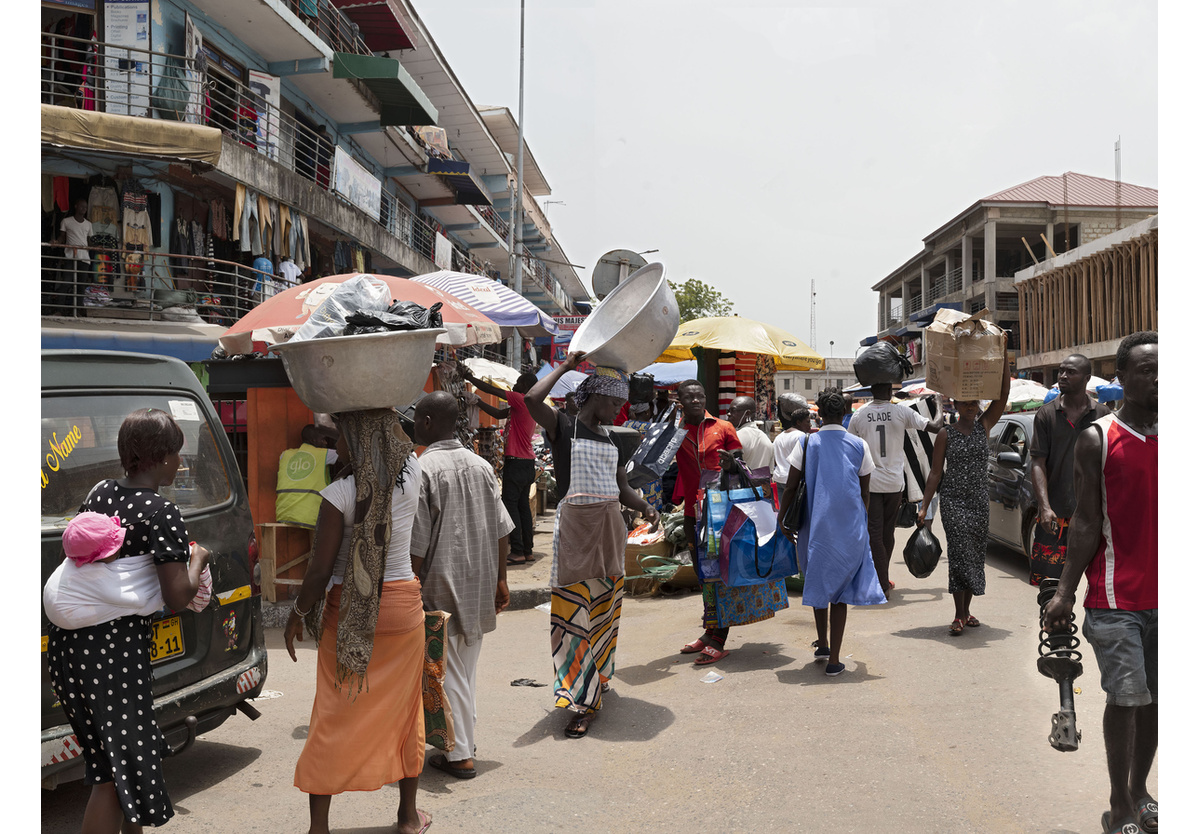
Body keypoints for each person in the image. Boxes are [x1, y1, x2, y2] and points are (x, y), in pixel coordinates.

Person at [45, 408, 211, 832]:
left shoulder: (100, 492)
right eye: (176, 453)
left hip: (70, 649)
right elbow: (177, 597)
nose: (181, 462)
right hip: (112, 653)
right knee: (115, 777)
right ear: (157, 457)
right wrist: (198, 560)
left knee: (117, 761)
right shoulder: (161, 512)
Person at [284, 412, 431, 834]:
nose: (336, 448)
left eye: (340, 439)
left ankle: (319, 829)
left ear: (361, 441)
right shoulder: (412, 474)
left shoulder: (339, 494)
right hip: (404, 609)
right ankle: (406, 818)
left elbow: (318, 572)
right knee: (407, 714)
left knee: (333, 716)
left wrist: (297, 616)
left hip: (348, 612)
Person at [1043, 332, 1157, 834]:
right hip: (1116, 597)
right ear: (1124, 379)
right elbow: (1087, 521)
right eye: (1147, 370)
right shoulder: (1099, 438)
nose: (1159, 379)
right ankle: (1121, 805)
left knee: (1156, 701)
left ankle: (1140, 788)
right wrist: (1066, 591)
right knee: (1128, 698)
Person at [524, 354, 659, 738]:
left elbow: (622, 489)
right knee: (571, 619)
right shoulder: (564, 427)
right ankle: (581, 700)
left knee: (603, 615)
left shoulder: (612, 439)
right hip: (576, 536)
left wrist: (646, 505)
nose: (619, 411)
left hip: (609, 534)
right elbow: (532, 401)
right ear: (595, 396)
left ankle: (596, 680)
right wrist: (566, 368)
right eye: (615, 403)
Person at [409, 392, 514, 780]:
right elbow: (503, 529)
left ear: (430, 422)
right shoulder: (481, 466)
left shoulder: (423, 469)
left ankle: (461, 755)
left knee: (447, 673)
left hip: (440, 585)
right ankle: (464, 741)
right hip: (479, 583)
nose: (415, 424)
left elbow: (416, 543)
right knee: (463, 671)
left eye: (418, 418)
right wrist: (501, 579)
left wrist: (407, 586)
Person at [674, 379, 788, 666]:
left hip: (719, 510)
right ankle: (710, 629)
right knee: (703, 575)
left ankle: (719, 638)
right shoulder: (675, 432)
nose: (696, 401)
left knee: (717, 574)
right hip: (692, 512)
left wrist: (730, 465)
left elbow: (741, 465)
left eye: (700, 396)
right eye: (689, 398)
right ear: (680, 402)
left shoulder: (723, 428)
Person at [778, 388, 885, 676]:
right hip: (849, 528)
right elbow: (865, 491)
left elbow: (790, 486)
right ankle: (835, 659)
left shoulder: (807, 442)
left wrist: (782, 518)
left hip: (815, 528)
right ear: (844, 413)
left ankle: (822, 643)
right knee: (840, 593)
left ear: (819, 415)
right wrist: (859, 522)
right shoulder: (859, 445)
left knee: (818, 583)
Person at [918, 350, 1011, 635]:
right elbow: (935, 473)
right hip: (954, 501)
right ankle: (958, 614)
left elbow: (1002, 396)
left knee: (973, 555)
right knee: (959, 553)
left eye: (974, 403)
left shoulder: (985, 427)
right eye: (965, 403)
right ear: (956, 404)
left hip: (979, 502)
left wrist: (1004, 356)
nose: (970, 407)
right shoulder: (946, 434)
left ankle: (967, 610)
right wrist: (924, 506)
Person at [848, 382, 943, 599]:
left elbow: (850, 446)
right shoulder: (901, 411)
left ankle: (881, 583)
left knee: (874, 533)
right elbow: (936, 427)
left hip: (870, 483)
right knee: (886, 532)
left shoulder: (860, 415)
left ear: (871, 389)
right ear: (890, 390)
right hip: (894, 485)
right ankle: (883, 577)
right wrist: (938, 404)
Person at [1028, 354, 1109, 586]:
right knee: (1050, 586)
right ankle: (1049, 624)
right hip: (1055, 517)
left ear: (1086, 378)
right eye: (1061, 371)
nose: (1062, 376)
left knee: (1099, 584)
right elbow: (1037, 462)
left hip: (1094, 517)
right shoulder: (1046, 414)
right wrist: (1044, 507)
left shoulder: (1103, 416)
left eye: (1070, 372)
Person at [458, 364, 540, 564]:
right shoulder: (524, 406)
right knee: (522, 507)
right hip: (526, 463)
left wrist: (469, 377)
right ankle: (527, 550)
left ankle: (518, 551)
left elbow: (492, 391)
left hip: (517, 462)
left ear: (526, 386)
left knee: (510, 505)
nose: (515, 384)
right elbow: (498, 414)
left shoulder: (521, 399)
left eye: (519, 382)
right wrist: (477, 402)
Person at [622, 399, 665, 512]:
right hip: (648, 472)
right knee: (650, 506)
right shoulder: (652, 428)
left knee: (630, 503)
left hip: (628, 470)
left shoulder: (625, 425)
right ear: (646, 412)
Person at [55, 197, 93, 313]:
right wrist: (56, 242)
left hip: (84, 258)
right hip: (70, 257)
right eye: (82, 206)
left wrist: (98, 247)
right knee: (66, 283)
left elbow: (89, 241)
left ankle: (79, 311)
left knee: (81, 286)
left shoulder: (88, 224)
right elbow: (62, 237)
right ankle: (60, 310)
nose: (84, 209)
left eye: (86, 208)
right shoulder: (67, 221)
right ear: (76, 206)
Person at [772, 394, 811, 488]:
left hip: (778, 478)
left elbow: (775, 461)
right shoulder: (801, 437)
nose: (810, 425)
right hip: (792, 481)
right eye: (808, 422)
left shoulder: (779, 437)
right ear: (798, 422)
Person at [727, 395, 775, 473]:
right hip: (761, 484)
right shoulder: (766, 440)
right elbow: (770, 473)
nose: (729, 414)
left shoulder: (735, 436)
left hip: (741, 484)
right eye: (728, 411)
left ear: (747, 413)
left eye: (733, 411)